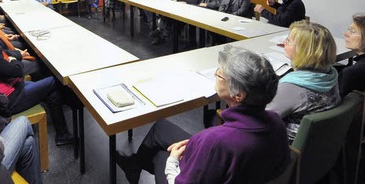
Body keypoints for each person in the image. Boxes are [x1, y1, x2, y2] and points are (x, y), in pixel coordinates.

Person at [116, 46, 290, 184]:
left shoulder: (215, 141)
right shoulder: (276, 122)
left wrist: (173, 162)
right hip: (244, 170)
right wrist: (198, 147)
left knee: (161, 156)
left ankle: (135, 167)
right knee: (160, 128)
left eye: (221, 74)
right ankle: (134, 166)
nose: (216, 74)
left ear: (239, 95)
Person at [0, 9, 75, 145]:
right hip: (7, 100)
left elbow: (5, 53)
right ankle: (74, 104)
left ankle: (62, 134)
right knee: (53, 81)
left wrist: (13, 57)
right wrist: (13, 60)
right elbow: (17, 70)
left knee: (52, 92)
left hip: (10, 87)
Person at [266, 20, 341, 141]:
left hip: (289, 147)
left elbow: (261, 119)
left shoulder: (293, 88)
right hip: (321, 141)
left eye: (289, 41)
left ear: (303, 51)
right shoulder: (331, 73)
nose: (284, 42)